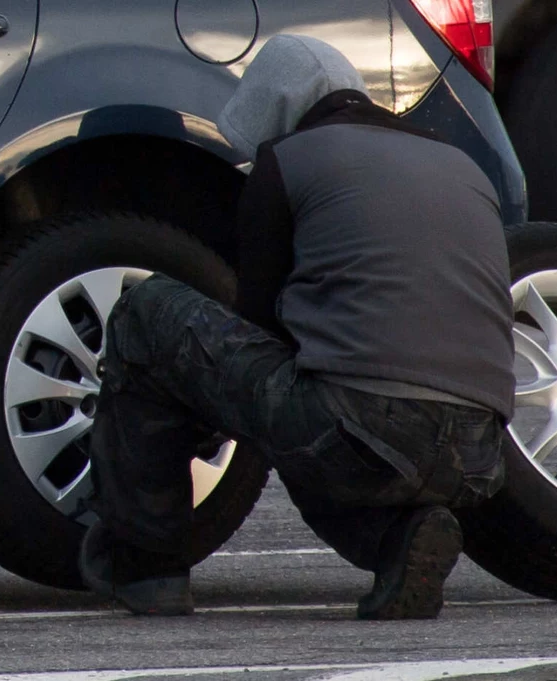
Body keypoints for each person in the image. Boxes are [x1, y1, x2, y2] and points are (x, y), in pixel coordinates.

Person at [78, 34, 515, 619]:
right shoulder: (457, 163)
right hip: (481, 453)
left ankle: (145, 567)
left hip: (360, 426)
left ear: (274, 109)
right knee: (319, 430)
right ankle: (400, 539)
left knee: (150, 311)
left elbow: (258, 333)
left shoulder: (288, 160)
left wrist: (188, 414)